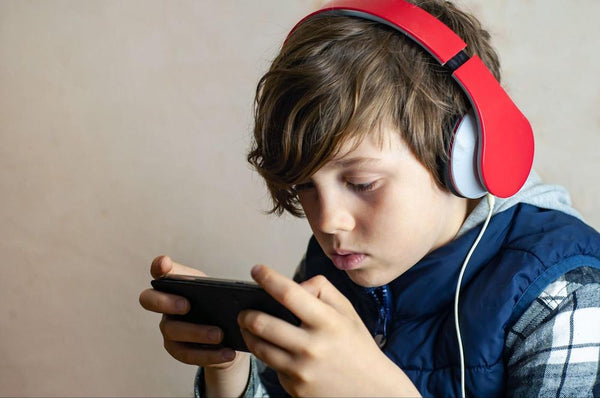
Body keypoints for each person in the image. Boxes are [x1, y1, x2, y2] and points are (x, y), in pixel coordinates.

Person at [139, 0, 600, 396]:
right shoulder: (336, 265)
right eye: (306, 188)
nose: (329, 222)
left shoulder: (565, 296)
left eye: (362, 183)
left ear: (465, 155)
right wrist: (230, 370)